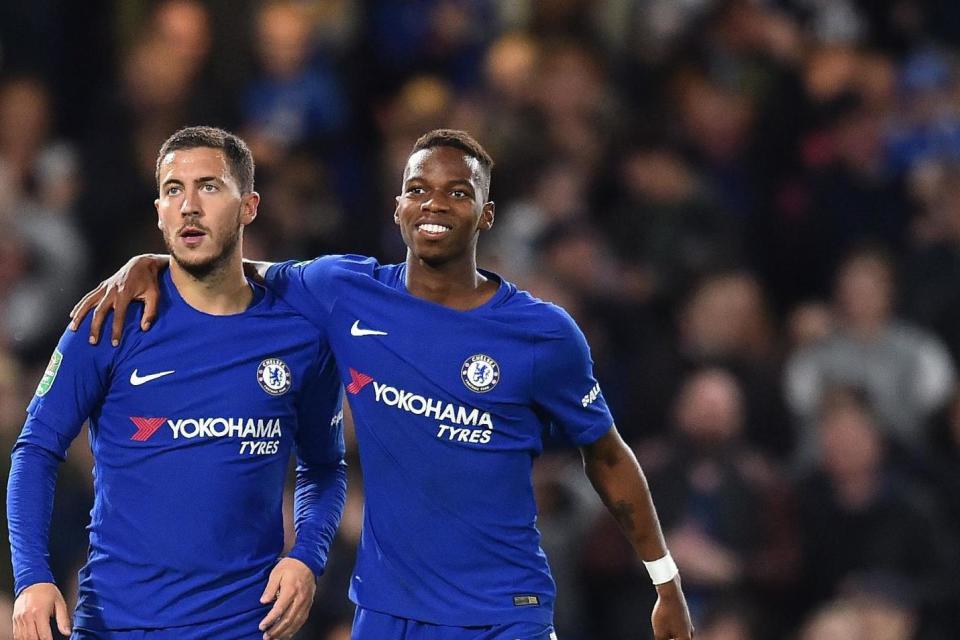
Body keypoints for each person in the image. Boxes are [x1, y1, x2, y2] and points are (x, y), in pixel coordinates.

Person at [71, 129, 694, 639]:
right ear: (398, 207)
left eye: (457, 192)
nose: (434, 204)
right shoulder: (346, 290)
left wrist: (665, 582)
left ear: (487, 214)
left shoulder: (542, 334)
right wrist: (150, 262)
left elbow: (608, 456)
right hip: (386, 614)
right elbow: (232, 270)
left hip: (503, 610)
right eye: (418, 189)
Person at [8, 126, 347, 640]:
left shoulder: (300, 335)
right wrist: (32, 576)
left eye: (209, 187)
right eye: (173, 190)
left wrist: (306, 556)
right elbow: (35, 448)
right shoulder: (110, 320)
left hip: (245, 627)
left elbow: (324, 467)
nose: (189, 205)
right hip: (119, 626)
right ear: (159, 211)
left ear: (249, 206)